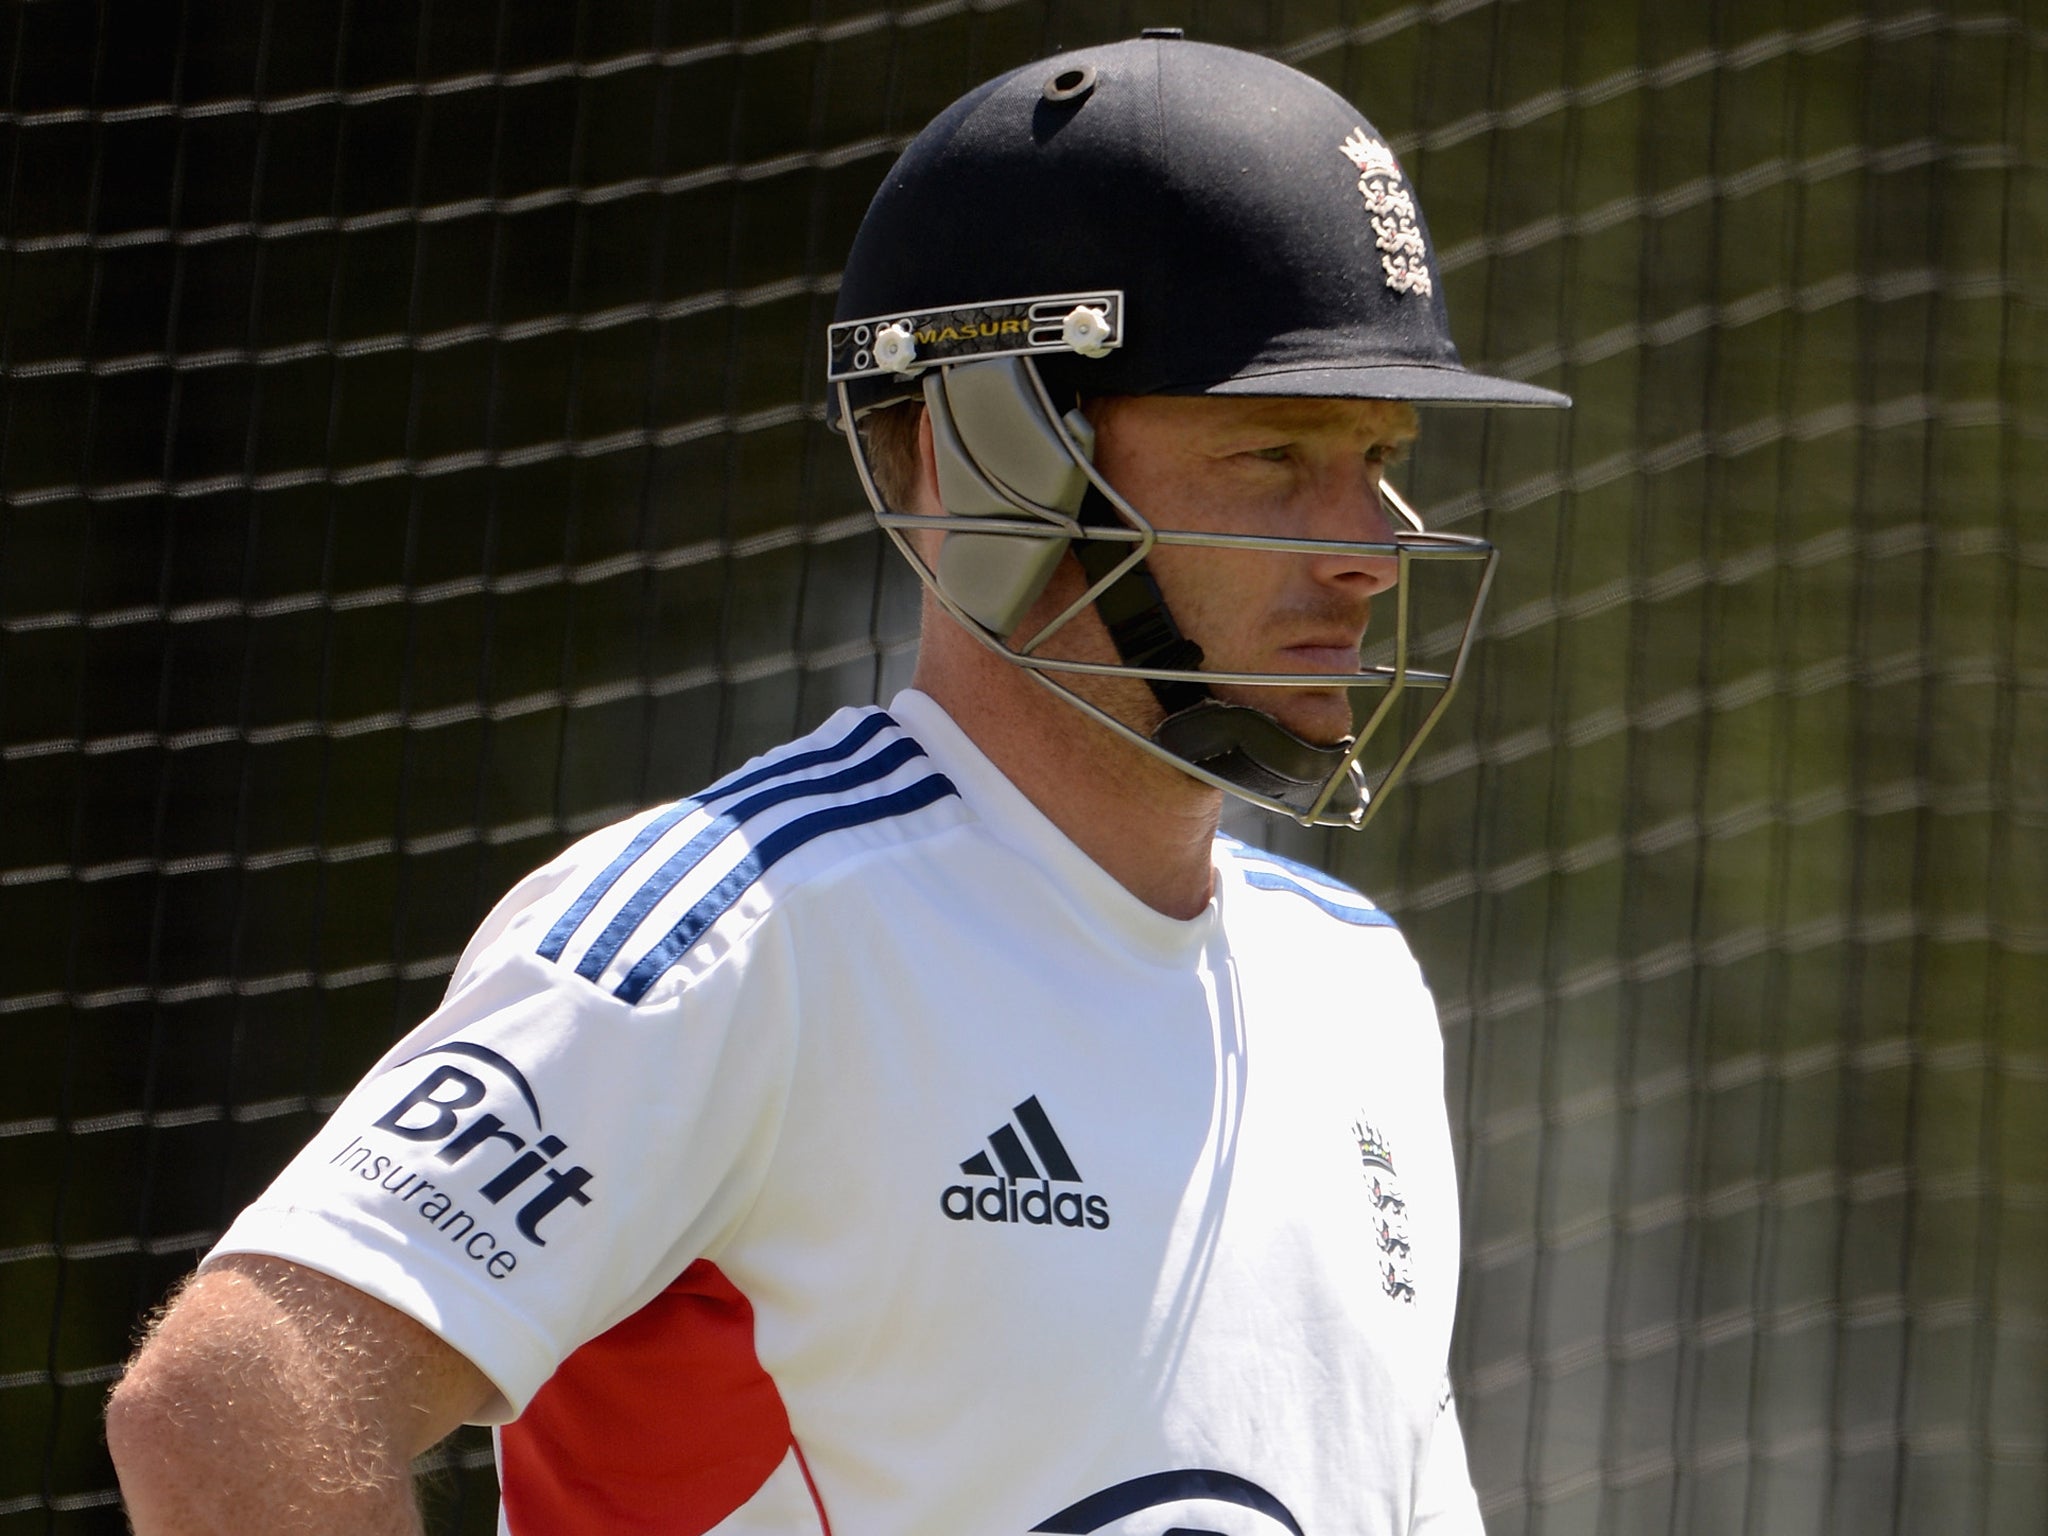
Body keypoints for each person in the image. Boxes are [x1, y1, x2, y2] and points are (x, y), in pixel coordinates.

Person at [106, 32, 1566, 1536]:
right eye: (1276, 454)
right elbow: (233, 1411)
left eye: (1383, 453)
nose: (1370, 548)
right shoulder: (742, 940)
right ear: (988, 458)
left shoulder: (1359, 987)